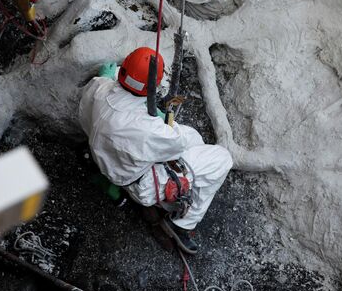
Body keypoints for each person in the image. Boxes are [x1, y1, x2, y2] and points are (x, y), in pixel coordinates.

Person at [78, 47, 233, 254]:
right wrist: (161, 121)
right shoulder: (147, 129)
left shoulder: (97, 87)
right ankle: (182, 223)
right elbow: (176, 144)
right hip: (141, 185)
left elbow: (110, 86)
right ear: (152, 87)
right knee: (222, 158)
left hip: (108, 158)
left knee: (193, 139)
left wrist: (107, 77)